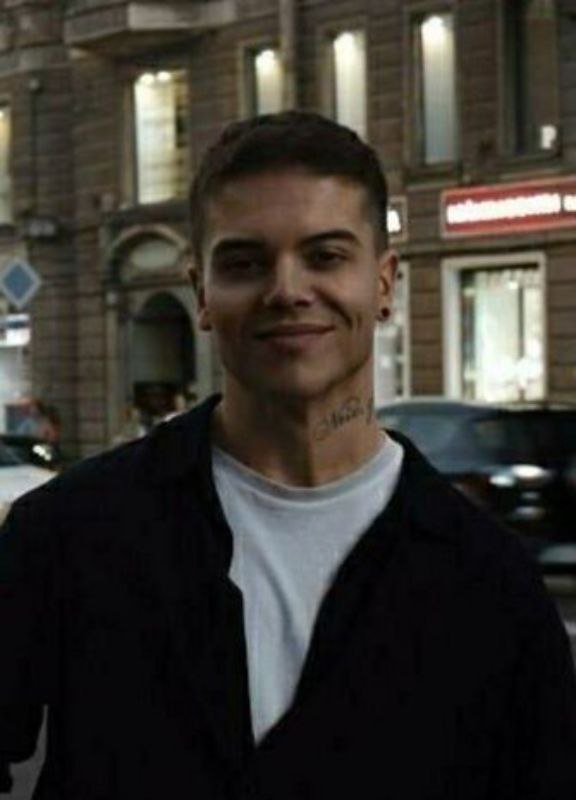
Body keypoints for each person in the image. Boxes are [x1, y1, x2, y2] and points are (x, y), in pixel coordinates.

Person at [1, 111, 575, 800]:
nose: (286, 290)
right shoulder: (71, 534)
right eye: (245, 264)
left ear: (384, 283)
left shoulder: (488, 582)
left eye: (325, 256)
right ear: (202, 293)